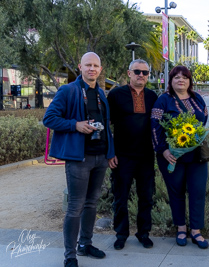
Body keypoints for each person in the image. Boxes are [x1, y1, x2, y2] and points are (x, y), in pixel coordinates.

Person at [43, 52, 115, 267]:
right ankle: (70, 255)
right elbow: (49, 119)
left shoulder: (101, 93)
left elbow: (106, 125)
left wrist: (110, 153)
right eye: (88, 65)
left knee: (92, 204)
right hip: (79, 158)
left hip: (100, 157)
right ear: (80, 67)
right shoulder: (68, 90)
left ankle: (85, 244)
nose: (92, 68)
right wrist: (76, 125)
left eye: (96, 65)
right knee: (76, 206)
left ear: (100, 69)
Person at [151, 65, 209, 249]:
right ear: (171, 81)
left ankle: (196, 231)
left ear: (190, 81)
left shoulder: (197, 98)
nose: (181, 80)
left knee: (198, 191)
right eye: (176, 77)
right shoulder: (163, 101)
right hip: (172, 157)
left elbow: (204, 118)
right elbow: (155, 126)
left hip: (196, 156)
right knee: (176, 192)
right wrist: (164, 150)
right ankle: (181, 229)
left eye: (184, 77)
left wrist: (195, 137)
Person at [107, 59, 158, 250]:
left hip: (146, 157)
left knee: (146, 197)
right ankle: (121, 234)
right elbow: (106, 126)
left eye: (145, 73)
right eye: (137, 71)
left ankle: (143, 233)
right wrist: (110, 153)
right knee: (121, 197)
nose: (141, 75)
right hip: (122, 157)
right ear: (129, 73)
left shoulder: (153, 96)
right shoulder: (116, 95)